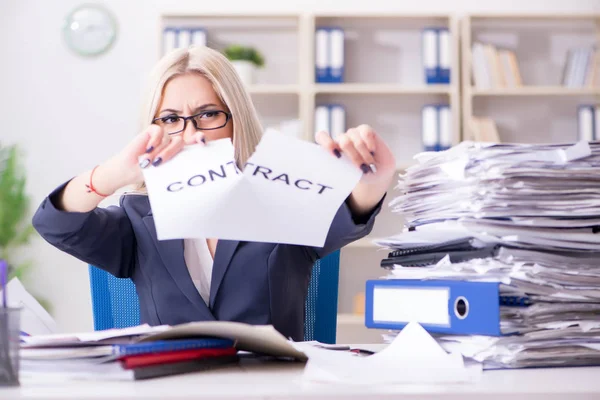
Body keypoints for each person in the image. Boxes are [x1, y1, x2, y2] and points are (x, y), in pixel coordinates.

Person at [32, 46, 397, 341]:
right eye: (171, 119)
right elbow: (55, 223)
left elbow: (350, 213)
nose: (192, 134)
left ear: (236, 118)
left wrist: (372, 179)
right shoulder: (138, 219)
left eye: (208, 114)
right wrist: (112, 174)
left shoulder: (281, 199)